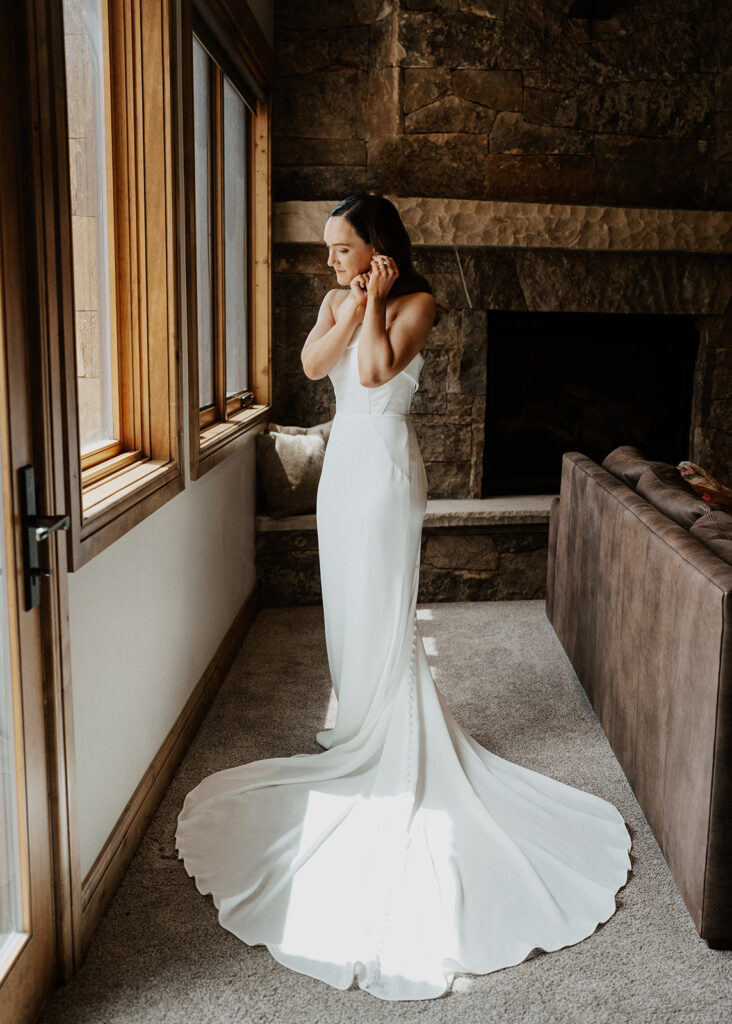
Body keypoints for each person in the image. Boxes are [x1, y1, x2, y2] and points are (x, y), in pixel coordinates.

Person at [175, 194, 631, 1002]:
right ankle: (354, 720)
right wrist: (348, 306)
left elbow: (381, 373)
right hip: (343, 465)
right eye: (328, 253)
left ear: (377, 249)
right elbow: (317, 368)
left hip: (386, 469)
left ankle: (385, 730)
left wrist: (377, 302)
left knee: (383, 600)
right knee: (346, 601)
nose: (332, 264)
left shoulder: (417, 300)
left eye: (342, 251)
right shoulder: (333, 296)